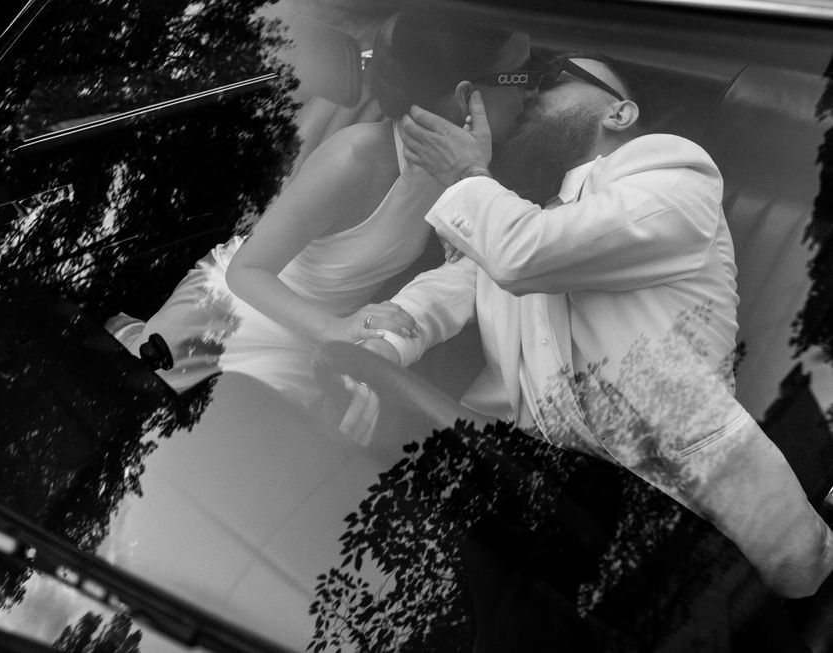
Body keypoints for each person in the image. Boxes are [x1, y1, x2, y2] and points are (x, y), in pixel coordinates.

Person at [348, 53, 833, 602]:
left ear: (621, 114)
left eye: (552, 78)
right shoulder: (519, 209)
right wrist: (382, 341)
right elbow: (449, 288)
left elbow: (528, 253)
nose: (531, 90)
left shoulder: (674, 174)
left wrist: (467, 174)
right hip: (537, 511)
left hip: (678, 527)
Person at [110, 13, 530, 411]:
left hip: (309, 342)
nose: (530, 92)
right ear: (464, 97)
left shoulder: (463, 166)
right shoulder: (352, 161)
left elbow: (473, 261)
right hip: (235, 319)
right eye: (522, 76)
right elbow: (246, 271)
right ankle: (124, 334)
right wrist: (335, 330)